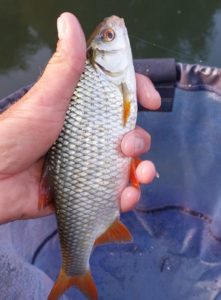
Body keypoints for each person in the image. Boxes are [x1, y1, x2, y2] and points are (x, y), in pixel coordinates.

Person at [0, 12, 161, 225]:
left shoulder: (105, 77)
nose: (116, 26)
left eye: (108, 35)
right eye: (110, 35)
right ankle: (79, 252)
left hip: (61, 183)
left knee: (132, 157)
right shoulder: (96, 76)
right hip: (60, 181)